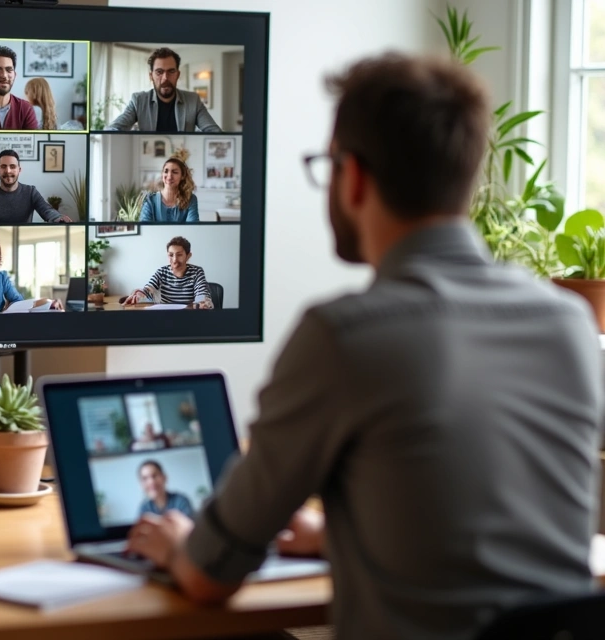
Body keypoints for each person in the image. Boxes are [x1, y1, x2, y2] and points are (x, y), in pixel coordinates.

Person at [125, 54, 605, 640]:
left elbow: (209, 575)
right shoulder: (569, 325)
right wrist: (335, 536)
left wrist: (179, 546)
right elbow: (490, 544)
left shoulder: (345, 337)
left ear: (352, 177)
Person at [107, 47, 221, 133]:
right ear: (151, 76)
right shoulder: (138, 100)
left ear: (177, 74)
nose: (165, 78)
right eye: (159, 72)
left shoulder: (193, 100)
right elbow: (115, 128)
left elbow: (214, 132)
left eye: (171, 71)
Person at [0, 150, 71, 224]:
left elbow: (47, 210)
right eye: (3, 166)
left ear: (19, 170)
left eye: (12, 166)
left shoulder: (31, 192)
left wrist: (59, 218)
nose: (8, 171)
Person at [125, 236, 213, 308]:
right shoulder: (161, 272)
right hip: (165, 316)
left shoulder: (197, 272)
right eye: (171, 255)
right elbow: (149, 288)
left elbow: (201, 293)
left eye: (179, 255)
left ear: (188, 256)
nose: (174, 260)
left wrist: (202, 303)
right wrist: (139, 294)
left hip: (187, 317)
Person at [140, 157, 199, 222]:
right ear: (162, 175)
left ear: (182, 176)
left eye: (175, 172)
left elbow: (193, 228)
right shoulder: (150, 200)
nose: (169, 176)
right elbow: (145, 228)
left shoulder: (190, 199)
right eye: (166, 171)